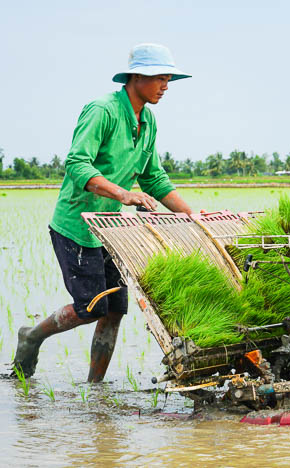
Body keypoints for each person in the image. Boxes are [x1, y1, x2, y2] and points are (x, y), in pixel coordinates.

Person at [13, 43, 195, 382]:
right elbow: (77, 164)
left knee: (114, 311)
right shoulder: (102, 111)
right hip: (77, 226)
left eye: (169, 80)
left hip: (111, 232)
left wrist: (191, 215)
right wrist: (122, 193)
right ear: (137, 77)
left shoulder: (149, 121)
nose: (166, 87)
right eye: (161, 79)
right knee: (91, 308)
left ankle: (94, 389)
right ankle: (32, 336)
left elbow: (153, 176)